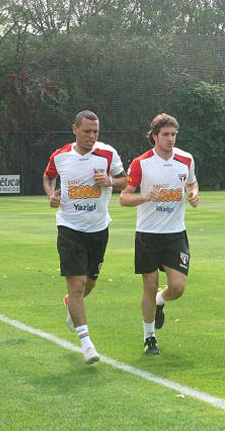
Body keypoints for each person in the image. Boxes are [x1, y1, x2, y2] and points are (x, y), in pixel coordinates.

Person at [43, 110, 126, 364]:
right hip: (69, 228)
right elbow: (49, 177)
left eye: (95, 132)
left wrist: (110, 181)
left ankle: (71, 304)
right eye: (87, 131)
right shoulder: (60, 156)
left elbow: (126, 180)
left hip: (99, 229)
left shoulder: (108, 154)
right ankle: (87, 344)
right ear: (75, 129)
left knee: (88, 284)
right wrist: (51, 195)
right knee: (77, 284)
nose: (92, 136)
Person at [119, 113, 199, 356]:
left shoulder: (186, 159)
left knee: (178, 287)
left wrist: (194, 193)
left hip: (175, 233)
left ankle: (160, 301)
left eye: (174, 134)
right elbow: (124, 198)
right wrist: (145, 196)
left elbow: (192, 183)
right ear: (154, 136)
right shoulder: (141, 163)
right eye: (165, 134)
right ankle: (149, 337)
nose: (170, 139)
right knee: (149, 284)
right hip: (148, 234)